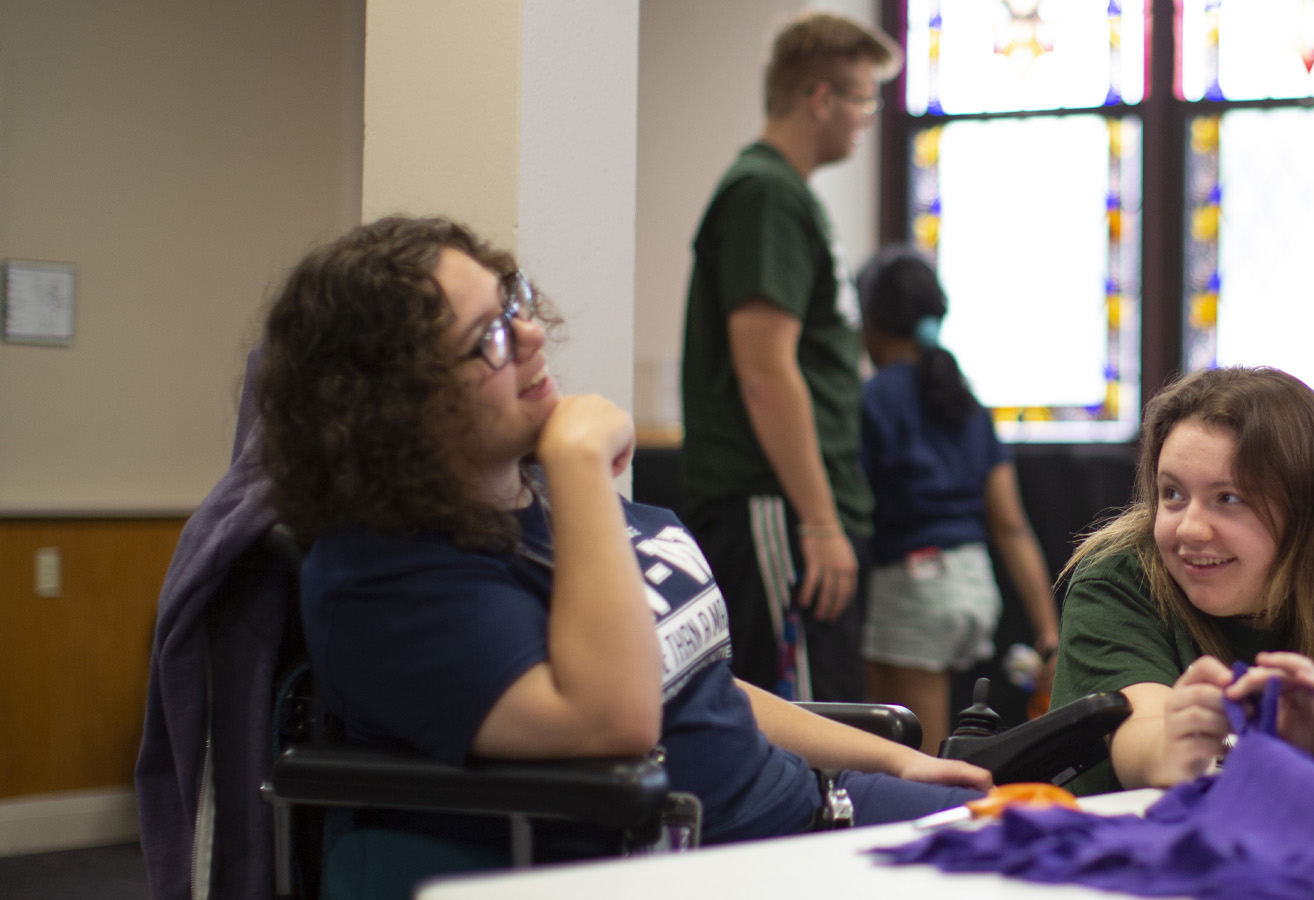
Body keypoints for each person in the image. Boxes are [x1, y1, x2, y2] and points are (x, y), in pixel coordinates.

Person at [258, 218, 989, 860]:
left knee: (1061, 837)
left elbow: (696, 686)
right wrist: (579, 467)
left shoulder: (542, 509)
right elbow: (616, 718)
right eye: (489, 337)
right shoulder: (385, 581)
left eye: (511, 302)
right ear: (392, 402)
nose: (534, 333)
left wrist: (894, 763)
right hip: (710, 860)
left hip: (810, 814)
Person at [1052, 367, 1314, 794]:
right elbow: (1140, 734)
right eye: (1173, 494)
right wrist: (1177, 745)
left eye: (1229, 499)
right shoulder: (1118, 581)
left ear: (1310, 511)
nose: (1190, 529)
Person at [678, 11, 900, 702]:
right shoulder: (765, 192)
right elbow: (766, 371)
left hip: (799, 501)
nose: (867, 117)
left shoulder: (787, 193)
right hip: (775, 504)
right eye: (863, 98)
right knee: (808, 723)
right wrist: (819, 519)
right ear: (821, 98)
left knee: (829, 709)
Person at [855, 246, 1060, 754]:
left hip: (915, 586)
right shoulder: (966, 401)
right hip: (973, 584)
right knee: (900, 742)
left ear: (873, 324)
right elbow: (1010, 525)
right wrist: (1048, 630)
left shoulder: (875, 398)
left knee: (912, 755)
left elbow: (852, 505)